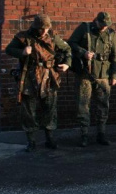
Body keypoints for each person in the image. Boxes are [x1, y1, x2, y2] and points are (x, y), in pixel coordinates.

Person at [5, 14, 71, 152]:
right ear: (36, 28)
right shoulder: (24, 37)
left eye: (47, 28)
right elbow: (9, 49)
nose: (45, 31)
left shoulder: (53, 37)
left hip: (49, 76)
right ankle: (31, 141)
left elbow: (67, 49)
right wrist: (22, 52)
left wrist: (66, 64)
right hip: (30, 76)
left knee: (50, 108)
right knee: (29, 109)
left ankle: (50, 138)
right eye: (42, 29)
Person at [68, 11, 116, 147]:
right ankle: (84, 135)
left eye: (106, 25)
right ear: (96, 21)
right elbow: (70, 43)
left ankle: (101, 134)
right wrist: (83, 53)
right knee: (83, 105)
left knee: (103, 106)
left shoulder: (111, 34)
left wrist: (114, 75)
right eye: (102, 24)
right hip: (85, 74)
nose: (104, 27)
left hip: (103, 75)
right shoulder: (84, 28)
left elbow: (114, 56)